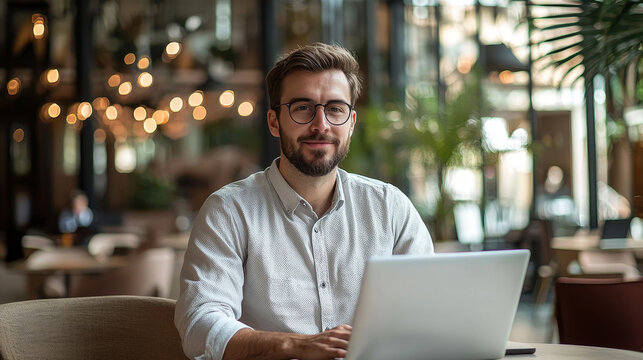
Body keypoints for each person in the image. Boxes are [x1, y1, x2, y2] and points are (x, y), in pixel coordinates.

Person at [175, 43, 434, 360]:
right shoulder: (228, 211)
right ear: (274, 122)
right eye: (303, 108)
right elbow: (200, 325)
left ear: (351, 123)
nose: (321, 125)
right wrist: (292, 345)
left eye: (335, 109)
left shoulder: (390, 208)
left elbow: (429, 310)